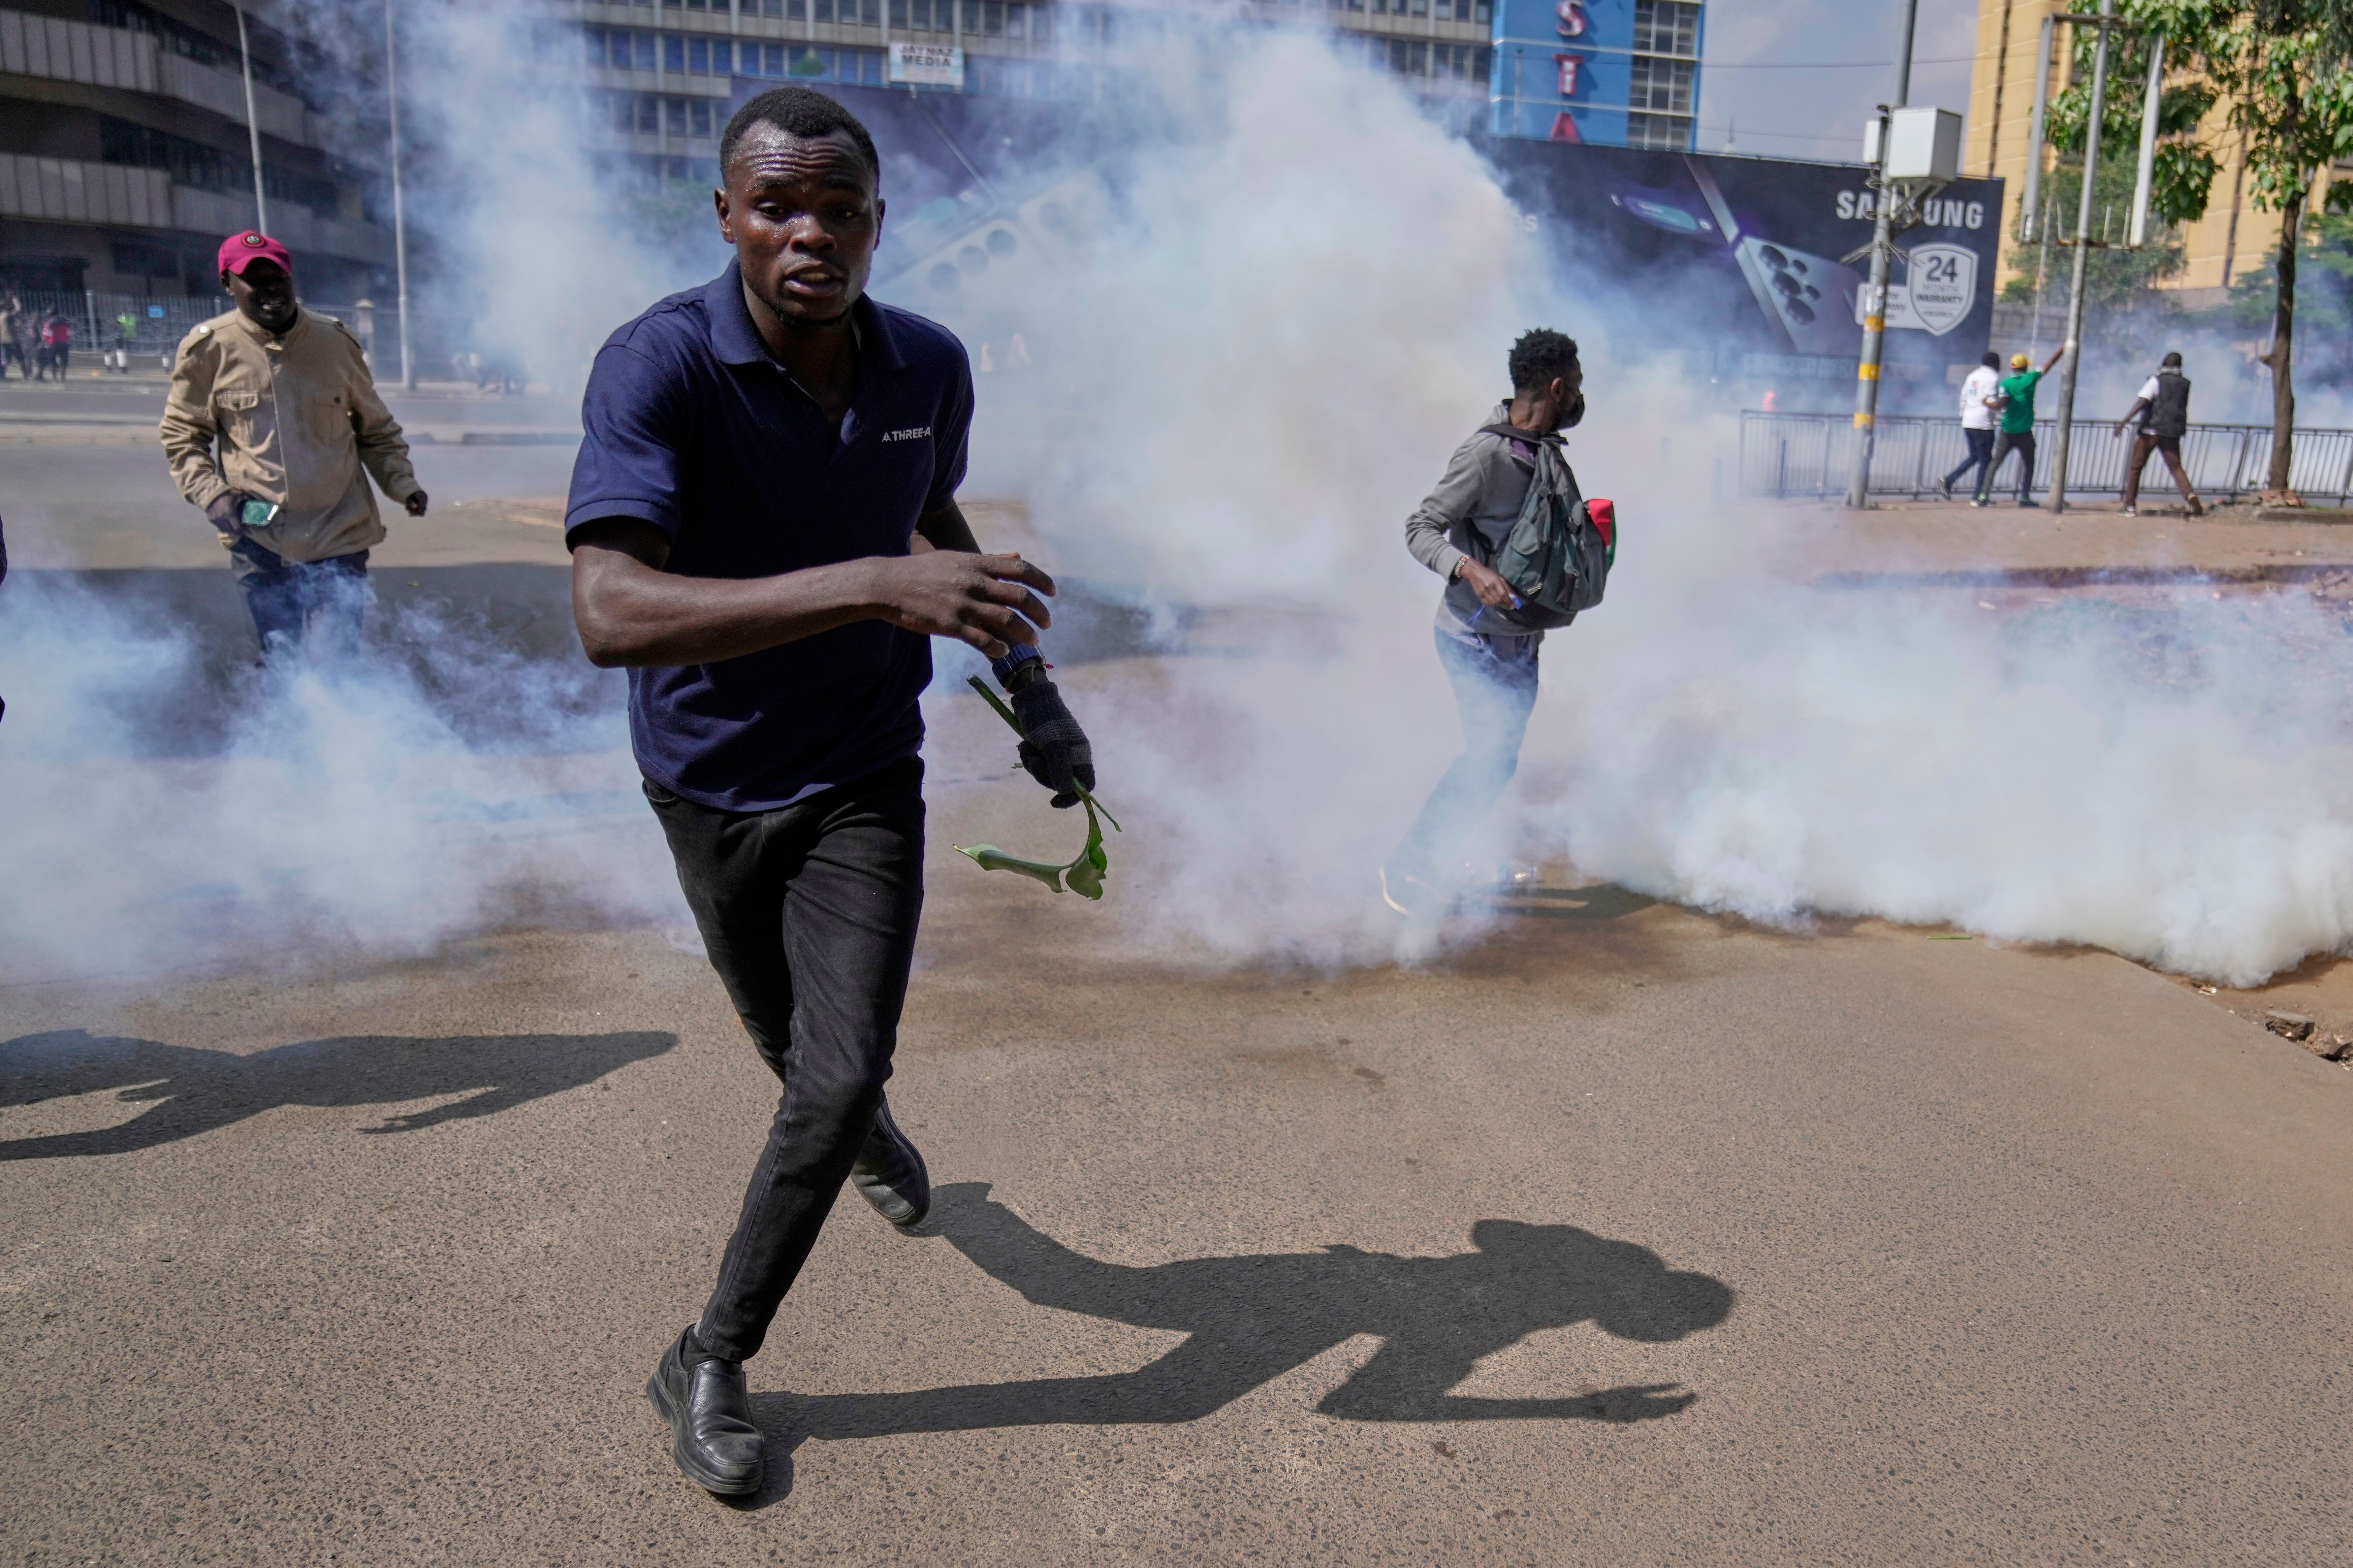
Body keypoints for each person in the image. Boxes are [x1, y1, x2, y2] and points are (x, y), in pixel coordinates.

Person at [564, 86, 1098, 1500]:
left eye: (840, 210)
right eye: (778, 208)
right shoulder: (658, 363)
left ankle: (709, 1356)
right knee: (797, 1053)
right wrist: (871, 584)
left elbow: (927, 520)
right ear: (727, 217)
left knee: (839, 1068)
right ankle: (848, 1124)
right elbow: (609, 611)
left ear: (878, 222)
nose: (812, 234)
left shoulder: (927, 366)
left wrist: (1035, 691)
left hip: (864, 767)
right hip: (707, 779)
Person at [1381, 328, 1585, 919]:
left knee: (1497, 761)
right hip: (1472, 639)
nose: (1580, 398)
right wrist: (1470, 569)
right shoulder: (1485, 455)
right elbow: (1420, 528)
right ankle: (1409, 866)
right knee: (1489, 759)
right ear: (1556, 387)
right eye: (1576, 386)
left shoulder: (1542, 451)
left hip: (1520, 642)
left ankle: (1458, 855)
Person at [159, 232, 428, 657]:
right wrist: (212, 494)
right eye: (255, 281)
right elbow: (182, 435)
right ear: (228, 284)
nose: (271, 290)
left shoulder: (334, 342)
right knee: (280, 663)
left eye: (278, 278)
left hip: (339, 534)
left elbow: (376, 430)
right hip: (260, 538)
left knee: (339, 664)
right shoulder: (208, 349)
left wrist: (403, 484)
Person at [2114, 350, 2204, 517]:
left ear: (2164, 363)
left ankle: (2130, 506)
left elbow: (2142, 401)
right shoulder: (2185, 383)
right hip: (2173, 432)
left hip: (2151, 431)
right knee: (2176, 467)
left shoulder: (2156, 381)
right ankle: (2190, 496)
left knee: (2136, 467)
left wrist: (2123, 423)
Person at [1978, 346, 2063, 508]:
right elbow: (2050, 363)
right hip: (2024, 432)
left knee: (1995, 463)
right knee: (2029, 464)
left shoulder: (2006, 384)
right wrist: (2064, 348)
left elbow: (2001, 404)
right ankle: (2025, 497)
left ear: (2013, 368)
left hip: (2007, 431)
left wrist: (1987, 403)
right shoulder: (2031, 378)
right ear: (2025, 367)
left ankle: (1984, 495)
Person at [1941, 350, 2003, 504]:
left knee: (1975, 456)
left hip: (1969, 421)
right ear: (1995, 364)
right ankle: (1979, 497)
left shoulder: (1973, 376)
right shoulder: (1993, 378)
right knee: (1986, 461)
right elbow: (1991, 401)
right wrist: (2000, 416)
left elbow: (1964, 397)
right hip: (1984, 424)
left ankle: (1949, 480)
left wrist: (1964, 414)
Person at [33, 312, 70, 380]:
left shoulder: (49, 323)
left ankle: (55, 379)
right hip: (64, 344)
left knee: (53, 362)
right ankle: (62, 379)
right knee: (64, 362)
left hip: (53, 344)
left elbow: (47, 335)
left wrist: (42, 344)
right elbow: (69, 334)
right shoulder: (65, 323)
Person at [0, 295, 26, 380]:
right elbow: (18, 310)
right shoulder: (6, 316)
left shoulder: (2, 317)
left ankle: (2, 376)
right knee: (20, 359)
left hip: (3, 341)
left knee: (5, 360)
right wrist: (16, 301)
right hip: (12, 341)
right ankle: (26, 376)